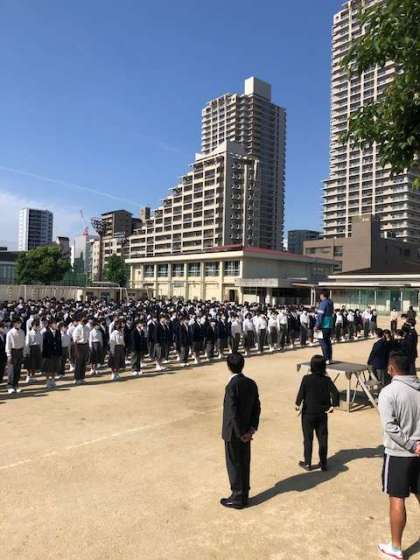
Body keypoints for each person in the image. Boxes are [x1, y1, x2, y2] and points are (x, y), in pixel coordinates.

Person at [377, 351, 420, 560]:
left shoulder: (388, 392)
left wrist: (411, 445)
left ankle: (395, 547)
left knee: (397, 498)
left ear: (392, 368)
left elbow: (390, 427)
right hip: (419, 450)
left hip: (399, 453)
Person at [221, 352, 261, 509]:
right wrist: (251, 429)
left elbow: (232, 413)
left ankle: (237, 495)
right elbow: (257, 407)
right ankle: (244, 493)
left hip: (234, 433)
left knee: (234, 463)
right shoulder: (251, 383)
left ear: (228, 366)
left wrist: (240, 434)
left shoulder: (231, 386)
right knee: (244, 462)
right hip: (246, 430)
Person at [295, 354, 339, 471]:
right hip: (322, 413)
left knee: (308, 439)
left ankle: (308, 463)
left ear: (312, 366)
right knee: (323, 438)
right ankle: (323, 463)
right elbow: (335, 393)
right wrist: (333, 405)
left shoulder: (306, 378)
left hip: (308, 413)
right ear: (324, 366)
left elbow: (301, 393)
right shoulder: (327, 380)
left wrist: (297, 404)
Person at [5, 317, 25, 394]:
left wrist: (23, 353)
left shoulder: (22, 332)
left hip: (20, 351)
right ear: (14, 323)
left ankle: (16, 385)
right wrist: (8, 354)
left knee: (18, 370)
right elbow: (8, 344)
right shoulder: (10, 332)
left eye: (20, 323)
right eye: (18, 323)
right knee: (11, 370)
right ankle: (10, 386)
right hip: (13, 351)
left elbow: (23, 342)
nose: (19, 324)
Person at [41, 320, 62, 389]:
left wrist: (60, 353)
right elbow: (44, 345)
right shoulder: (46, 333)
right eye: (54, 324)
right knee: (48, 369)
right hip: (48, 354)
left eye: (56, 324)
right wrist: (45, 355)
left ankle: (53, 380)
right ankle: (47, 381)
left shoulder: (58, 332)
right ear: (50, 325)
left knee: (54, 368)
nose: (55, 325)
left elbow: (59, 343)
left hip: (56, 353)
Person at [315, 289, 334, 364]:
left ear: (322, 295)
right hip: (329, 324)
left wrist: (317, 326)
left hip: (323, 325)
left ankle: (326, 359)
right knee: (328, 342)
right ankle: (330, 358)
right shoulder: (330, 302)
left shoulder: (323, 303)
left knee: (323, 342)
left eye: (320, 295)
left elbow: (320, 315)